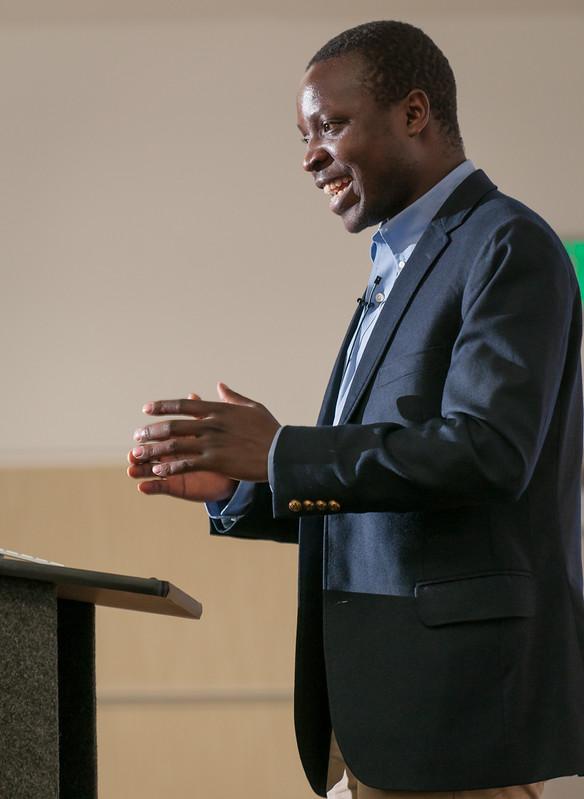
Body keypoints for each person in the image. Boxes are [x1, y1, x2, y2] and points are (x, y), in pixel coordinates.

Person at [127, 20, 584, 799]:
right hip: (375, 720)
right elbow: (378, 494)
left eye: (330, 125)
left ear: (414, 113)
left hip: (452, 718)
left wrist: (281, 451)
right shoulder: (395, 266)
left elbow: (487, 451)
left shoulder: (507, 245)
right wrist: (247, 486)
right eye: (304, 134)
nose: (309, 154)